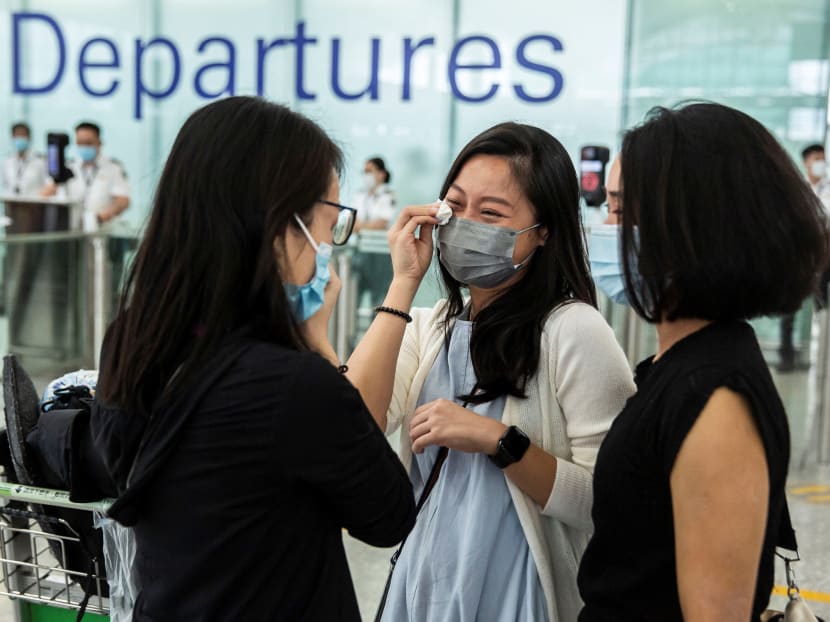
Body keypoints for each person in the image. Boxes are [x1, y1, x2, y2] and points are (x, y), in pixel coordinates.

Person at [16, 97, 416, 620]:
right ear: (278, 228)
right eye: (329, 218)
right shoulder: (293, 384)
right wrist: (315, 343)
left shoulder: (133, 340)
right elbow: (387, 514)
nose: (328, 242)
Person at [339, 122, 636, 621]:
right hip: (425, 589)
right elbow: (353, 429)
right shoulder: (429, 327)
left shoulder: (573, 330)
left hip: (519, 596)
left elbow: (608, 502)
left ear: (542, 233)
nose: (464, 223)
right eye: (455, 207)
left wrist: (500, 440)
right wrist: (403, 284)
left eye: (491, 213)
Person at [577, 103, 829, 621]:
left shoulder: (714, 395)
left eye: (620, 210)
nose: (606, 228)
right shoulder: (678, 364)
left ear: (690, 228)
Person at [42, 121, 130, 231]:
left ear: (99, 142)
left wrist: (104, 216)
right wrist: (55, 184)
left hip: (100, 231)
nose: (84, 147)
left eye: (88, 143)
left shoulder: (113, 169)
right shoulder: (69, 167)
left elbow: (123, 200)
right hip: (71, 231)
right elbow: (44, 195)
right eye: (80, 143)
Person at [2, 122, 47, 196]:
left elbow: (48, 185)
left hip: (33, 205)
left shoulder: (40, 161)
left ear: (29, 137)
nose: (20, 138)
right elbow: (5, 185)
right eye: (17, 135)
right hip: (12, 204)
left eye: (23, 135)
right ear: (12, 137)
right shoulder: (7, 162)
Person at [352, 156, 396, 231]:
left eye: (369, 171)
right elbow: (352, 220)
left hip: (378, 240)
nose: (366, 175)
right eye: (365, 172)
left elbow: (382, 223)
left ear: (382, 174)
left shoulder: (389, 196)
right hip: (359, 240)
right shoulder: (359, 195)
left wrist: (358, 227)